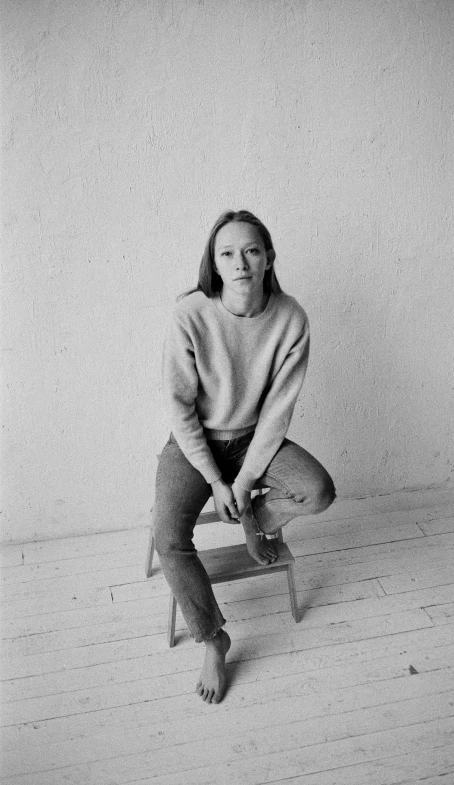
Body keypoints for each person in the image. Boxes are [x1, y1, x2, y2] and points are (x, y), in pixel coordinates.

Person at [153, 209, 336, 704]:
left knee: (318, 490)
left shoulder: (291, 317)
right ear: (214, 263)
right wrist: (216, 479)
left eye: (251, 251)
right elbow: (179, 407)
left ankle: (260, 516)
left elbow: (278, 412)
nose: (240, 263)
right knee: (168, 538)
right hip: (196, 444)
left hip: (256, 438)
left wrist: (246, 482)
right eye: (227, 253)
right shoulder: (189, 313)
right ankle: (213, 639)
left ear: (268, 258)